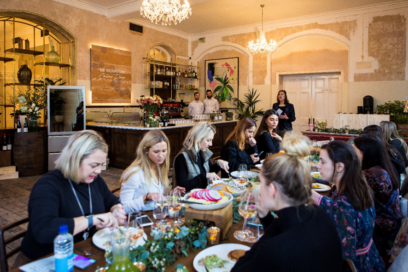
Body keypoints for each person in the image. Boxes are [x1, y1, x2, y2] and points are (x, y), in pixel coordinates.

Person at [14, 130, 126, 267]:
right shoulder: (48, 186)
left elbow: (112, 202)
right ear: (74, 158)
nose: (98, 171)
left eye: (101, 165)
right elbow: (44, 230)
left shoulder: (95, 181)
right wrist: (91, 220)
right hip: (43, 261)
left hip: (81, 255)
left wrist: (116, 209)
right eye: (94, 165)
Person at [232, 134, 343, 272]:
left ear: (272, 189)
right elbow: (285, 226)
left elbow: (238, 268)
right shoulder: (317, 213)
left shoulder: (275, 251)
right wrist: (265, 215)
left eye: (261, 183)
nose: (260, 189)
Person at [310, 140, 384, 271]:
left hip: (356, 266)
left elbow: (344, 254)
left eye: (322, 161)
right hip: (372, 258)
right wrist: (308, 192)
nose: (318, 165)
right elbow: (334, 207)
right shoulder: (356, 187)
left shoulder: (345, 202)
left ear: (339, 167)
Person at [353, 135, 403, 255]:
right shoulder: (381, 168)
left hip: (382, 227)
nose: (352, 155)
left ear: (366, 153)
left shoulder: (372, 174)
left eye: (354, 151)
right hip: (391, 222)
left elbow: (348, 192)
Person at [120, 130, 185, 214]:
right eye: (156, 152)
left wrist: (171, 195)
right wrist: (146, 197)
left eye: (164, 151)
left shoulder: (158, 167)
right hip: (138, 221)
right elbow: (123, 208)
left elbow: (156, 199)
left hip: (154, 216)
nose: (161, 155)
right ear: (145, 150)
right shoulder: (135, 173)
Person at [173, 122, 229, 192]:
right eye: (208, 140)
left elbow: (209, 171)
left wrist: (218, 164)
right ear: (198, 138)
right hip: (188, 200)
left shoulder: (201, 152)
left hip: (202, 196)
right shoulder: (181, 158)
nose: (211, 144)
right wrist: (204, 176)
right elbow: (183, 188)